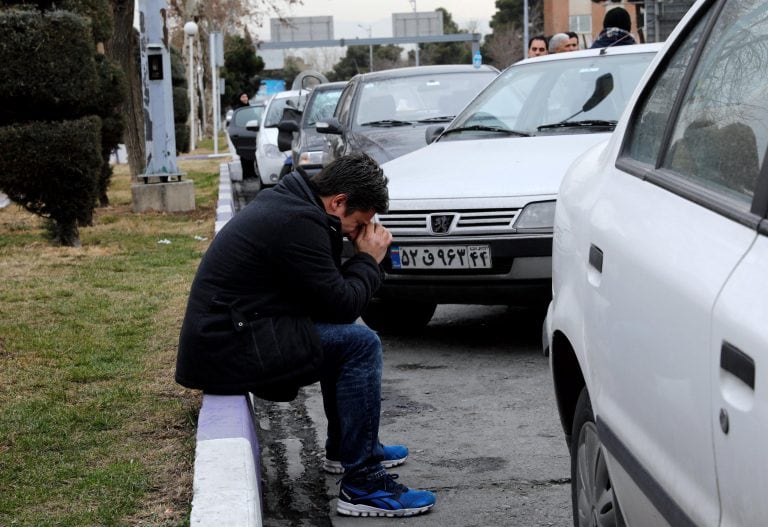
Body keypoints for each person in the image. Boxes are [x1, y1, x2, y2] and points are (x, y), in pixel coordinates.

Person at [175, 153, 437, 518]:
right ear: (339, 202)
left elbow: (326, 300)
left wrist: (353, 255)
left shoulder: (298, 205)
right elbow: (342, 305)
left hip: (235, 333)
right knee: (360, 344)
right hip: (228, 346)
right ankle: (364, 484)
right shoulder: (298, 221)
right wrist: (368, 260)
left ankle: (345, 448)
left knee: (345, 338)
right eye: (359, 222)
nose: (360, 232)